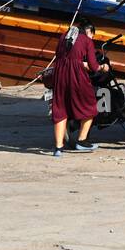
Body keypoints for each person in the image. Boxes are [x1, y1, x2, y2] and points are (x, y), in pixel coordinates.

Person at [50, 23, 108, 157]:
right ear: (86, 31)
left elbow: (57, 54)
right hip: (76, 75)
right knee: (90, 105)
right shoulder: (86, 41)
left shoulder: (63, 37)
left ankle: (58, 148)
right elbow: (93, 66)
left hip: (59, 73)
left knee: (60, 109)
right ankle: (82, 140)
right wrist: (102, 67)